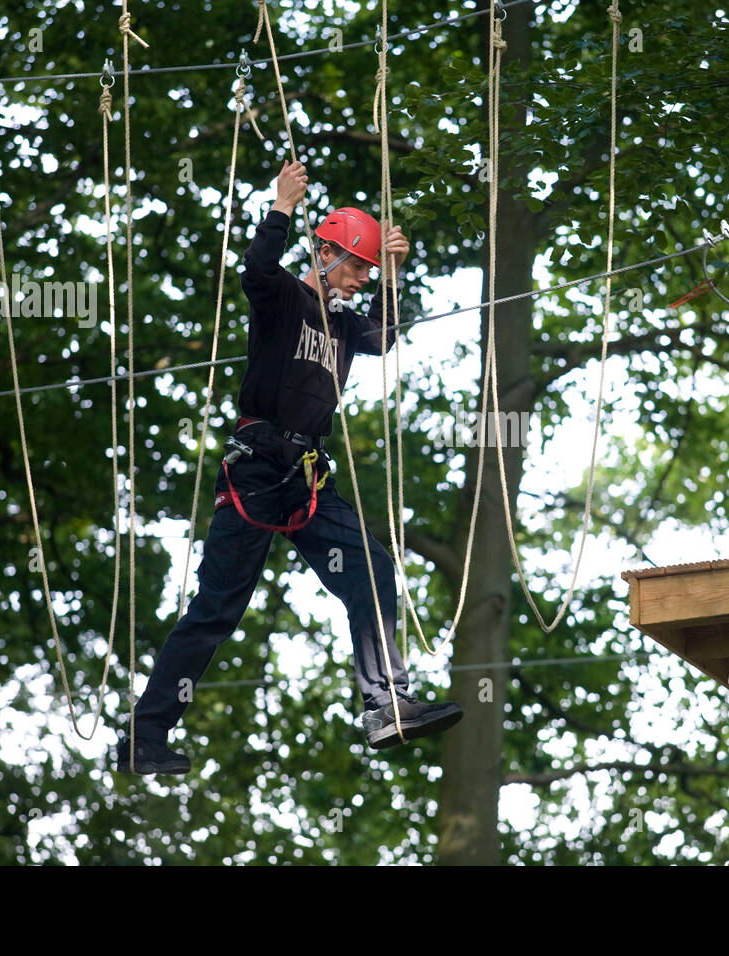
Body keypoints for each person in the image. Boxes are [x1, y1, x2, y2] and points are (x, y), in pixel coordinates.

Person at [116, 160, 463, 775]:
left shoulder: (347, 326)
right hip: (254, 471)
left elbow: (383, 337)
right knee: (216, 609)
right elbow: (255, 271)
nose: (360, 279)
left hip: (306, 477)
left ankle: (387, 704)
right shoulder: (284, 300)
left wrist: (394, 275)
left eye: (366, 271)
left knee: (373, 569)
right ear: (325, 252)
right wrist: (280, 208)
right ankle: (145, 736)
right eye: (355, 266)